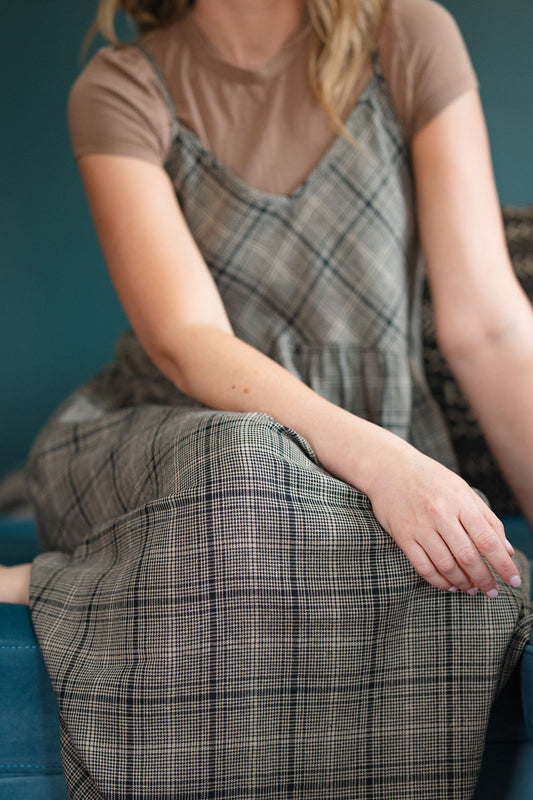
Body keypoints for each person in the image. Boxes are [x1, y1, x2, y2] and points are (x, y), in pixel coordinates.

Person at [2, 0, 533, 796]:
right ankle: (73, 569)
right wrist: (383, 465)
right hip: (181, 435)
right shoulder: (120, 88)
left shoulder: (408, 36)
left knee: (442, 587)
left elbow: (487, 328)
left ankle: (55, 583)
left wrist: (404, 470)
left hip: (373, 436)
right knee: (249, 458)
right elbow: (186, 339)